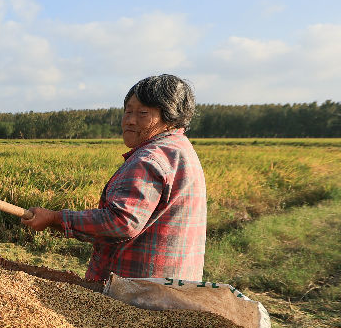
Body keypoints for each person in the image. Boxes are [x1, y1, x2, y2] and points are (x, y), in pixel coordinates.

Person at [21, 74, 206, 282]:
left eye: (143, 113)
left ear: (170, 118)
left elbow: (121, 222)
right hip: (174, 286)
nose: (130, 120)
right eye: (127, 111)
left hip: (137, 291)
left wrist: (56, 218)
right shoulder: (181, 149)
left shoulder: (149, 159)